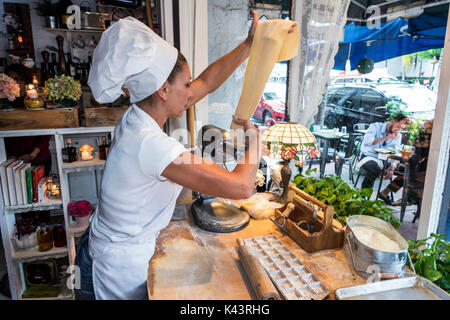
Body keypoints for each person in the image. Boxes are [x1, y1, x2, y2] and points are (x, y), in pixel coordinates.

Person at [74, 14, 297, 300]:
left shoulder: (138, 114)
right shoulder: (150, 143)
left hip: (98, 249)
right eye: (186, 83)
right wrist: (254, 139)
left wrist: (249, 44)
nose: (191, 92)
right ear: (163, 90)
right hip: (114, 270)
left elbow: (207, 81)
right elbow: (241, 187)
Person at [357, 113, 410, 191]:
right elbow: (368, 142)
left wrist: (392, 167)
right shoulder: (375, 126)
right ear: (392, 122)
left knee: (406, 171)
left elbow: (394, 152)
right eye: (398, 126)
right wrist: (386, 138)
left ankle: (385, 193)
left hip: (385, 160)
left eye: (401, 128)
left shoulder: (398, 135)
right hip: (368, 156)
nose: (398, 130)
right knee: (375, 169)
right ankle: (363, 194)